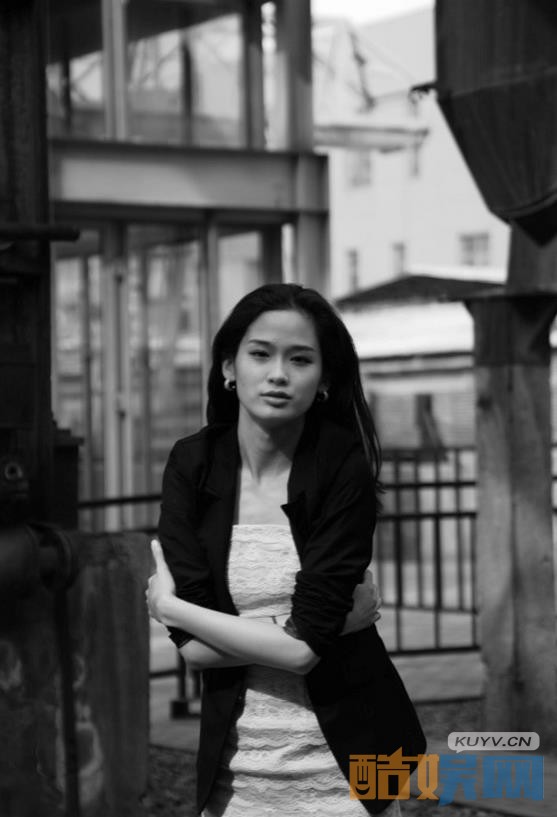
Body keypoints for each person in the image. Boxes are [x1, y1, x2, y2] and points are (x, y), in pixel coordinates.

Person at [147, 283, 426, 816]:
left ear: (324, 381)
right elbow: (196, 652)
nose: (278, 373)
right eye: (260, 354)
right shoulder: (193, 464)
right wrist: (317, 628)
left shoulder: (342, 467)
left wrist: (172, 608)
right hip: (234, 777)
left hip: (349, 775)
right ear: (229, 368)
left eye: (300, 359)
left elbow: (301, 653)